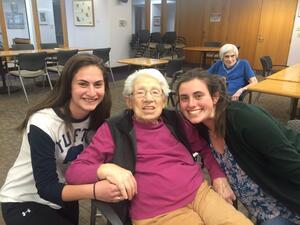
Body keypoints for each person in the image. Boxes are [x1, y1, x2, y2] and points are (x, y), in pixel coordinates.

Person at [66, 68, 253, 225]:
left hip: (201, 193)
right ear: (129, 101)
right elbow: (74, 172)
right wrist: (106, 168)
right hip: (160, 213)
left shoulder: (176, 121)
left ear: (164, 101)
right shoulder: (114, 129)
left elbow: (204, 148)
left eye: (155, 92)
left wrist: (218, 176)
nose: (148, 99)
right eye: (140, 93)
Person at [0, 54, 118, 225]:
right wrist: (95, 190)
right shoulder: (43, 122)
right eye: (83, 84)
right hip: (25, 198)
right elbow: (46, 188)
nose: (92, 93)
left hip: (64, 191)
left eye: (98, 84)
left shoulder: (98, 118)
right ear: (68, 86)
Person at [176, 68, 300, 225]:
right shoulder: (201, 126)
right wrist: (217, 175)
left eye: (198, 96)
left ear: (215, 97)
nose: (191, 104)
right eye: (184, 98)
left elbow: (294, 167)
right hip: (263, 210)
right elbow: (204, 152)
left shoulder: (244, 119)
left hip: (289, 203)